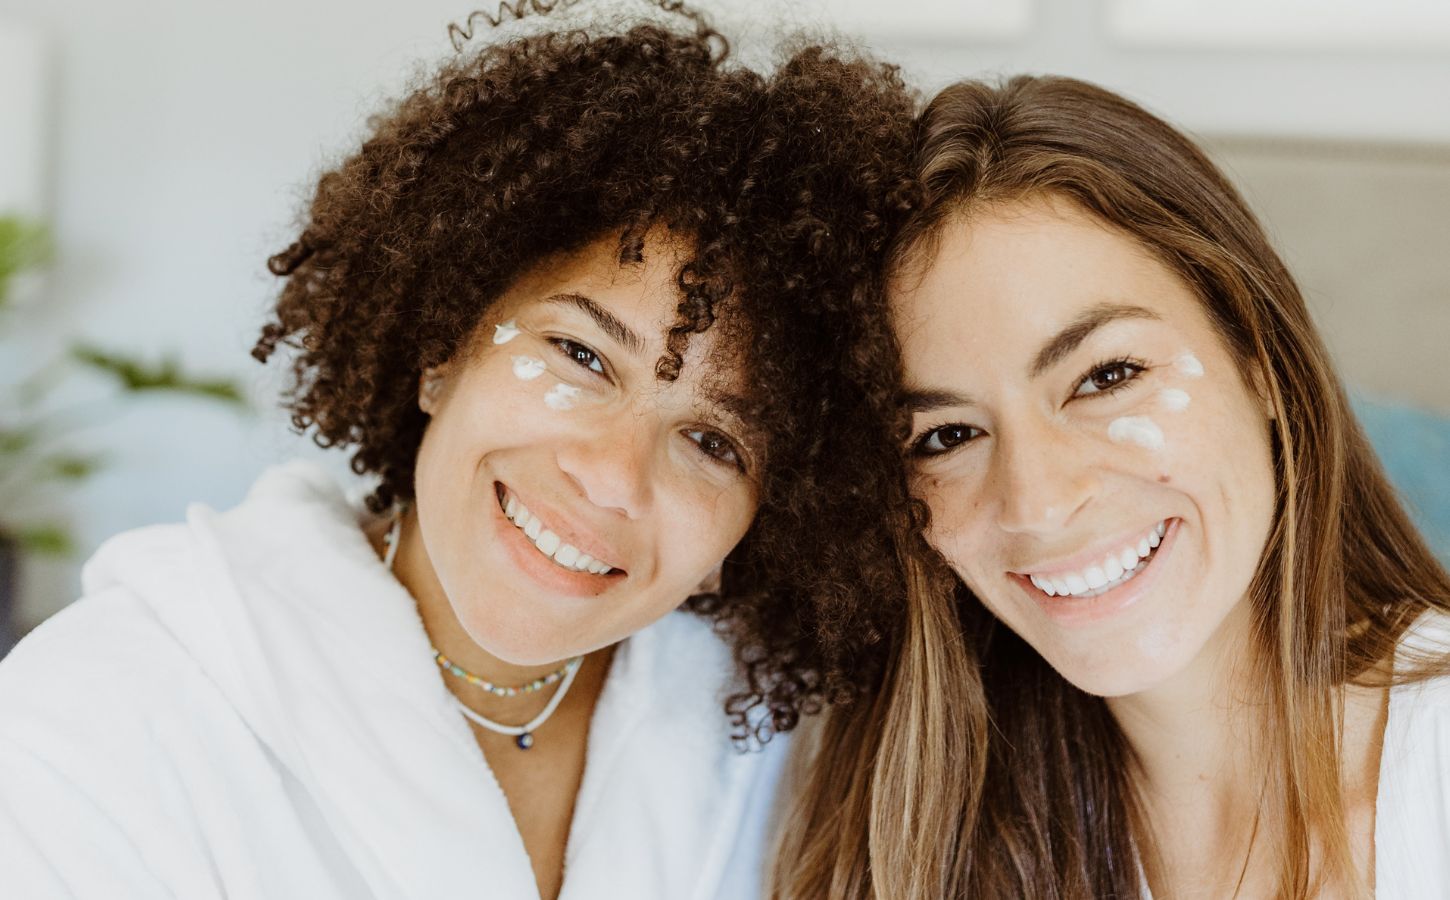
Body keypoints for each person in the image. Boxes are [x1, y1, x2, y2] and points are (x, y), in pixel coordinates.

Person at [0, 4, 920, 898]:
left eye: (713, 441)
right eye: (582, 354)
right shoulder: (97, 716)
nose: (611, 472)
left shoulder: (781, 761)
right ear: (442, 350)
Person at [773, 75, 1450, 899]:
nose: (1040, 502)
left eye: (1106, 376)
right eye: (946, 437)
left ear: (1260, 359)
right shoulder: (911, 841)